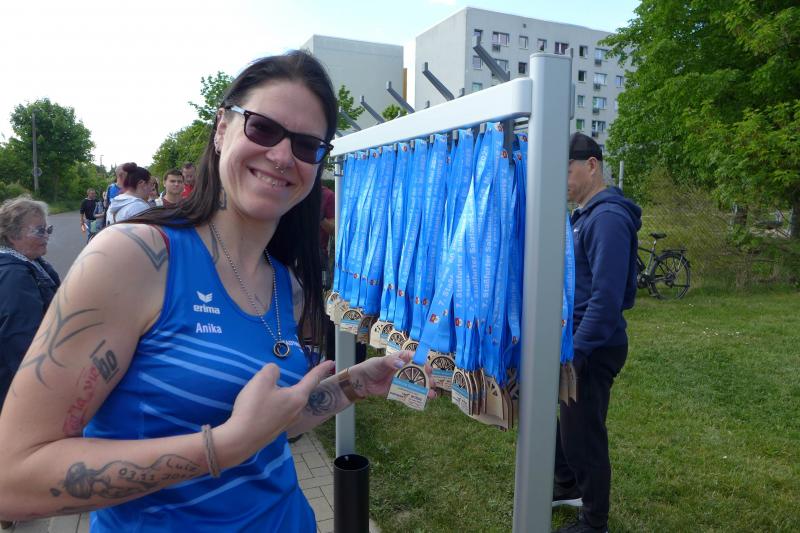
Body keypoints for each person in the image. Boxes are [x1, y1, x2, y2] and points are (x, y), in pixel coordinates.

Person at [0, 51, 433, 532]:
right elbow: (12, 480)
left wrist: (352, 385)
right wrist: (222, 448)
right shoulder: (134, 257)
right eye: (263, 128)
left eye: (307, 145)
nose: (283, 156)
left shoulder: (284, 284)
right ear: (222, 128)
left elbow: (266, 427)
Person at [552, 133, 642, 533]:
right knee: (566, 424)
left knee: (584, 434)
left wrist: (577, 353)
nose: (562, 180)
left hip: (595, 345)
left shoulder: (607, 219)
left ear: (592, 165)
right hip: (578, 339)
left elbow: (606, 300)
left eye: (566, 170)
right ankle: (565, 485)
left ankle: (594, 521)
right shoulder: (585, 215)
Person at [0, 196, 60, 428]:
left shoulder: (30, 263)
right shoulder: (15, 276)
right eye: (39, 231)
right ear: (12, 235)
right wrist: (42, 392)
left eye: (48, 229)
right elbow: (22, 341)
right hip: (17, 388)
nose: (47, 236)